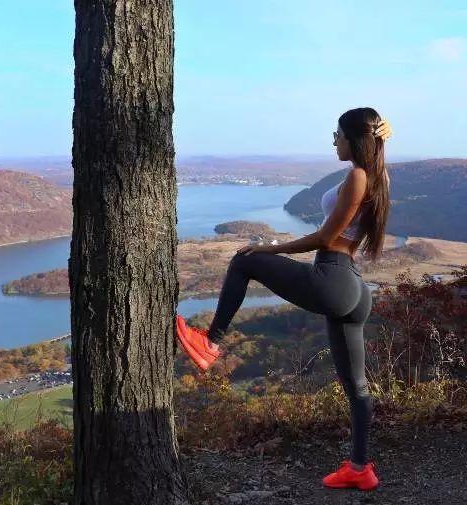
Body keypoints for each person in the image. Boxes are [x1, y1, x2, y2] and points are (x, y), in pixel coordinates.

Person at [176, 107, 392, 492]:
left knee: (245, 261)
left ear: (354, 140)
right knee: (356, 386)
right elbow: (375, 152)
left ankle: (211, 343)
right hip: (354, 290)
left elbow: (324, 238)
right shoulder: (378, 177)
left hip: (333, 277)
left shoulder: (359, 176)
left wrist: (270, 248)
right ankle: (360, 468)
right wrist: (381, 134)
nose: (334, 140)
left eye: (338, 134)